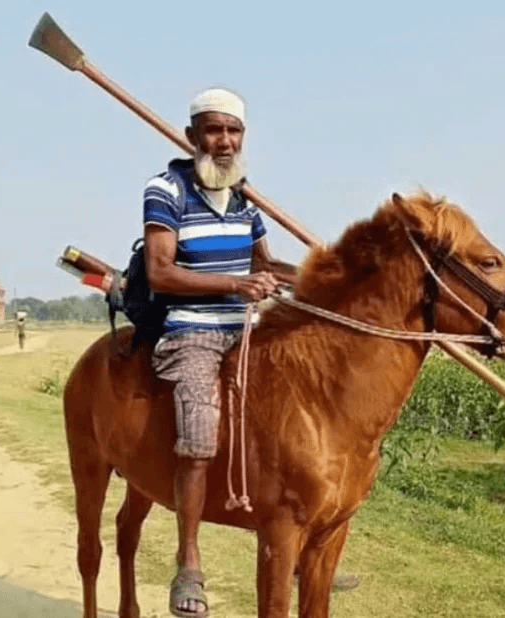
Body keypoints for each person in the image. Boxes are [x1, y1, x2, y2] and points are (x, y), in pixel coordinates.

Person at [144, 88, 355, 618]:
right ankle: (188, 561)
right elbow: (160, 272)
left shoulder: (244, 196)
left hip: (249, 329)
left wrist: (329, 279)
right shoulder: (166, 190)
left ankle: (305, 547)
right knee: (198, 432)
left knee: (304, 422)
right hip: (193, 330)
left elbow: (265, 264)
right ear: (192, 136)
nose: (224, 141)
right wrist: (235, 284)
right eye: (213, 130)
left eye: (233, 131)